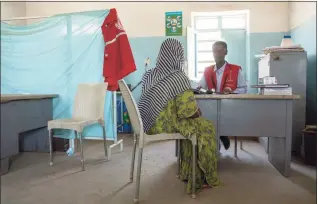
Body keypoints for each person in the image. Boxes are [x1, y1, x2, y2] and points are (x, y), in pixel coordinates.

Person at [138, 38, 221, 194]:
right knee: (206, 126)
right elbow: (187, 112)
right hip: (167, 125)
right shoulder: (179, 77)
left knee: (191, 127)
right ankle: (201, 177)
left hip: (147, 123)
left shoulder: (149, 74)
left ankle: (187, 172)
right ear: (179, 57)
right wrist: (197, 112)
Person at [197, 41, 247, 150]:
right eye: (214, 51)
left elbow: (243, 88)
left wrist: (230, 91)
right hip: (212, 105)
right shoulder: (208, 70)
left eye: (219, 51)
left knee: (218, 116)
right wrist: (200, 89)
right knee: (206, 113)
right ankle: (219, 136)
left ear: (226, 52)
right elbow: (200, 86)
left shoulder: (235, 69)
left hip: (229, 105)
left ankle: (221, 135)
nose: (216, 54)